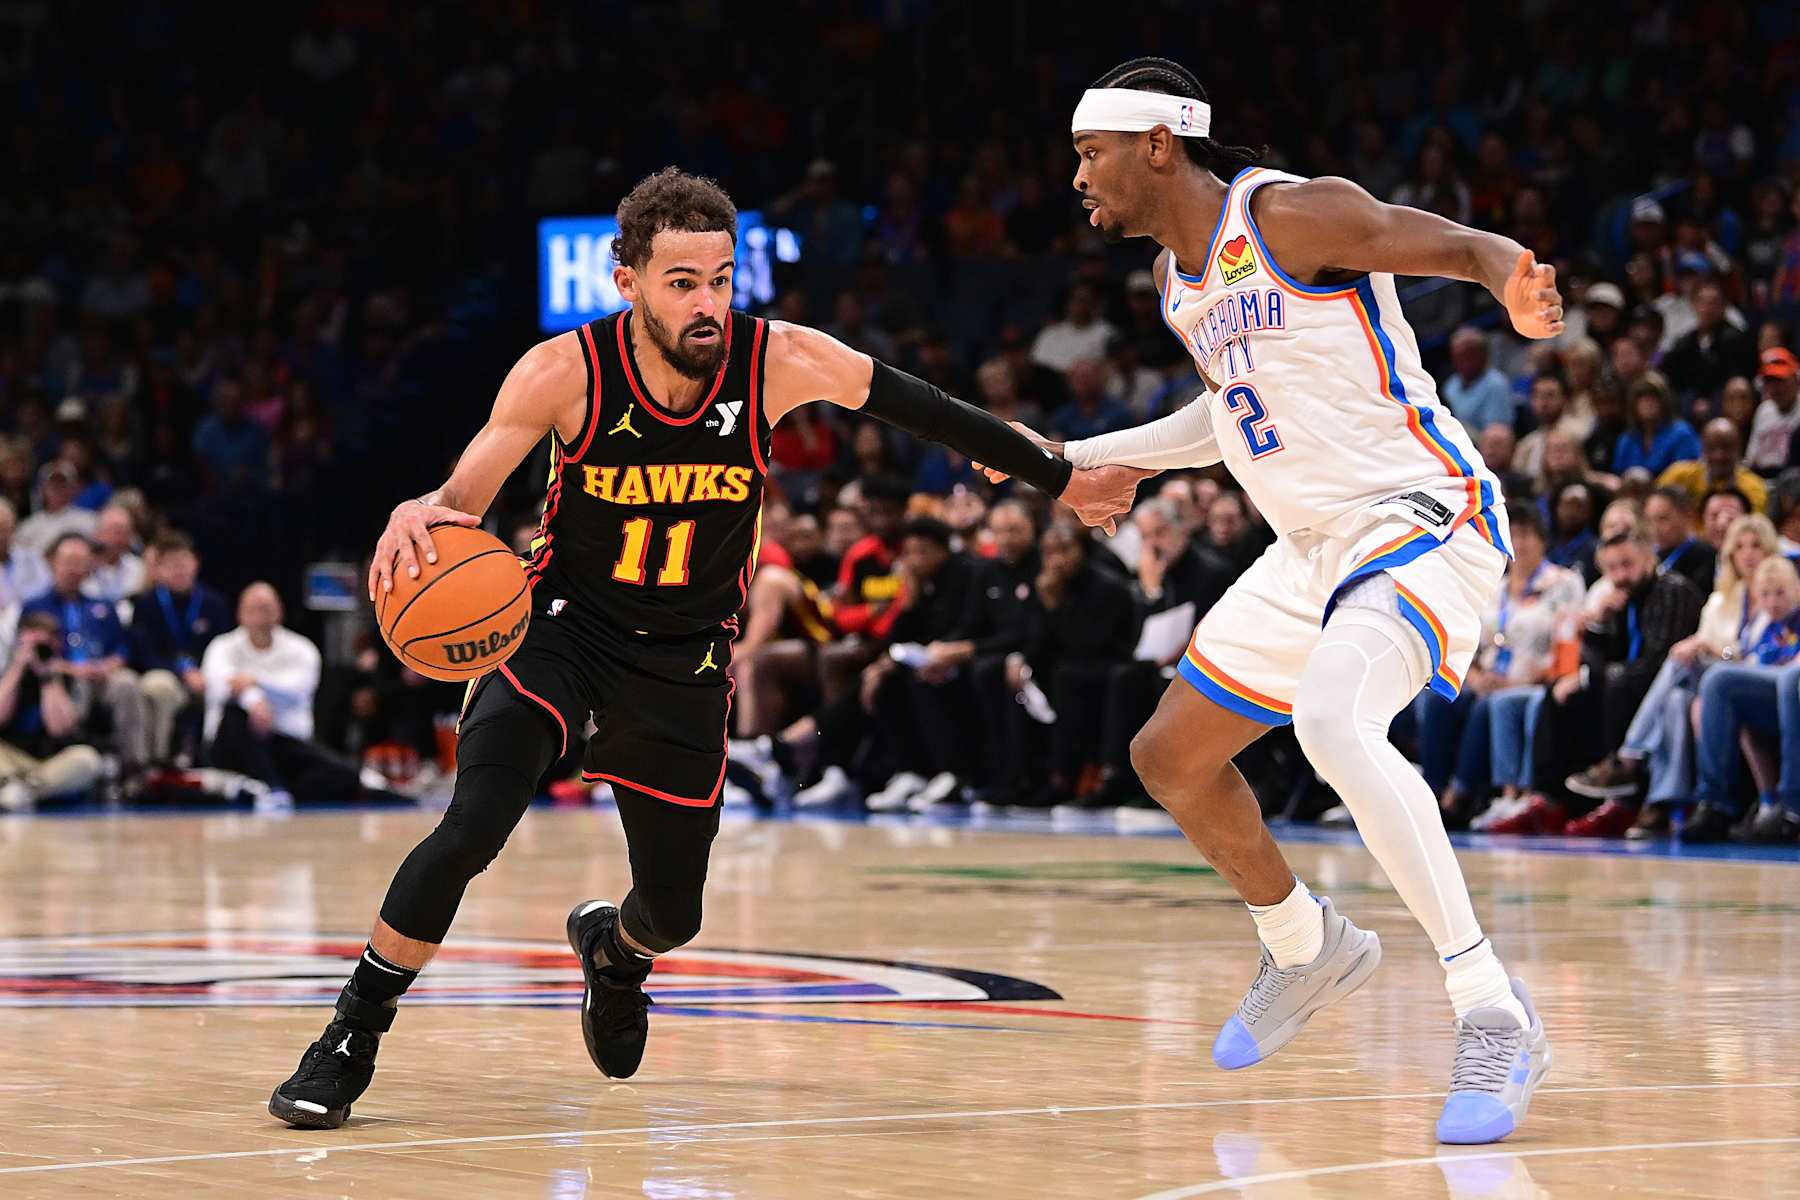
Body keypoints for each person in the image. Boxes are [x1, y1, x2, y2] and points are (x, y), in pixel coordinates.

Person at [269, 167, 1144, 1129]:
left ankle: (615, 952)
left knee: (673, 912)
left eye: (722, 280)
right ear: (628, 279)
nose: (707, 304)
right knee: (474, 823)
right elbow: (458, 504)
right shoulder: (564, 371)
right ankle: (351, 1032)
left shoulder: (773, 362)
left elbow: (916, 406)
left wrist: (1056, 473)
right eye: (682, 281)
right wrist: (421, 512)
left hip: (685, 659)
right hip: (561, 629)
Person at [986, 57, 1560, 1144]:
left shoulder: (1291, 215)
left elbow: (1437, 241)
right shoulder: (1173, 280)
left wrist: (1504, 274)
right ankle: (1306, 945)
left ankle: (1492, 1008)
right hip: (1312, 549)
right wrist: (1077, 456)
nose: (1077, 178)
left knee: (1333, 721)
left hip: (1419, 517)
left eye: (1089, 153)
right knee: (1170, 756)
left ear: (1157, 144)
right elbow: (1229, 414)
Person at [1566, 513, 1777, 838]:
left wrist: (1716, 649)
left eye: (1756, 546)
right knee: (1677, 699)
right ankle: (1663, 803)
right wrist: (1599, 624)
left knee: (1675, 663)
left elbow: (1758, 647)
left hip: (1749, 676)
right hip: (1707, 682)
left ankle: (1628, 757)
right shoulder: (1721, 600)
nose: (1748, 554)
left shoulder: (1777, 591)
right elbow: (1602, 661)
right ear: (1731, 554)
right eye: (1740, 547)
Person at [202, 582, 358, 803]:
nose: (260, 617)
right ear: (240, 613)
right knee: (234, 714)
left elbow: (297, 688)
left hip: (286, 745)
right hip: (232, 745)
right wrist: (253, 700)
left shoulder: (301, 648)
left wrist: (255, 681)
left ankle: (267, 786)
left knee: (344, 776)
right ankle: (271, 785)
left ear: (279, 611)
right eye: (253, 609)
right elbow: (220, 684)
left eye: (266, 608)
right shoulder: (222, 646)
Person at [1687, 556, 1800, 844]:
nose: (1773, 602)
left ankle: (1791, 808)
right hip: (1773, 695)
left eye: (1781, 593)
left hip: (1790, 686)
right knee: (1717, 678)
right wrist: (1717, 651)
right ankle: (1714, 803)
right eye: (1765, 595)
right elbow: (1739, 655)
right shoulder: (1762, 627)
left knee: (1791, 678)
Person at [21, 533, 148, 770]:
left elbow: (122, 648)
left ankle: (134, 766)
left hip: (101, 676)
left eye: (81, 562)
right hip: (61, 676)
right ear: (52, 562)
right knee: (77, 688)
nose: (75, 569)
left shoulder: (102, 606)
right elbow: (32, 654)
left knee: (127, 683)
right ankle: (71, 756)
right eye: (69, 561)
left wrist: (110, 665)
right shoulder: (34, 606)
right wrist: (72, 669)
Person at [128, 531, 233, 765]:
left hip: (208, 674)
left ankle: (215, 759)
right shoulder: (147, 604)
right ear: (159, 569)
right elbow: (144, 654)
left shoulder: (214, 603)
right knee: (159, 687)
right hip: (165, 674)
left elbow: (225, 647)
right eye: (172, 565)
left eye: (184, 563)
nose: (179, 570)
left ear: (195, 563)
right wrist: (182, 673)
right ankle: (158, 761)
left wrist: (206, 674)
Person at [0, 610, 104, 812]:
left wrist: (48, 678)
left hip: (51, 763)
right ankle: (15, 789)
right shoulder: (8, 674)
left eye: (44, 643)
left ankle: (21, 791)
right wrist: (17, 668)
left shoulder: (69, 679)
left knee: (87, 759)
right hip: (11, 758)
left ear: (57, 645)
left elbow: (59, 729)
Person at [1655, 419, 1768, 516]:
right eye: (1712, 447)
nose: (1718, 456)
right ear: (1702, 449)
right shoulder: (1679, 476)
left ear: (1738, 450)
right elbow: (1655, 506)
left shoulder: (1753, 487)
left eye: (1726, 448)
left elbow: (1753, 528)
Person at [1612, 372, 1700, 477]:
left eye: (1653, 398)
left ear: (1664, 402)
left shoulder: (1682, 434)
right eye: (1643, 399)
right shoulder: (1627, 439)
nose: (1648, 404)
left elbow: (1687, 476)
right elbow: (1619, 476)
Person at [1642, 486, 1718, 596]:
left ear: (1686, 516)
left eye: (1663, 519)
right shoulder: (1648, 556)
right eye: (1649, 520)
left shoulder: (1707, 556)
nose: (1654, 528)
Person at [1441, 327, 1514, 435]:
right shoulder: (1450, 385)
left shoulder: (1496, 384)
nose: (1462, 363)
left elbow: (1496, 433)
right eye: (1458, 357)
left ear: (1483, 356)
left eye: (1467, 356)